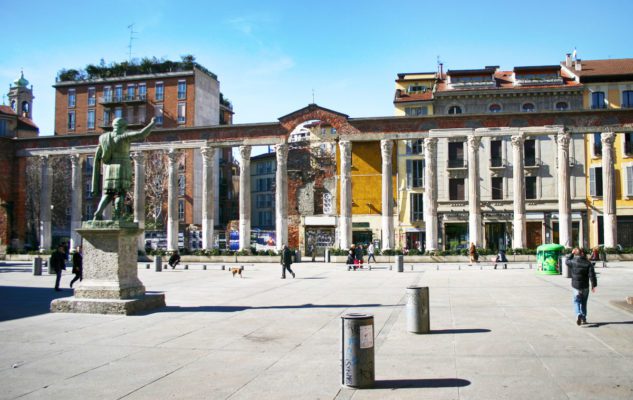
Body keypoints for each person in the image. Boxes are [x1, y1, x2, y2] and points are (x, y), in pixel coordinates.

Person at [92, 117, 156, 220]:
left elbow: (99, 153)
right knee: (120, 192)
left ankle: (98, 212)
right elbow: (141, 134)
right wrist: (152, 124)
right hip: (122, 166)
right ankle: (117, 216)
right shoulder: (124, 136)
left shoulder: (103, 137)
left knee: (108, 193)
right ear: (123, 127)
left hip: (109, 168)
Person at [566, 248, 597, 326]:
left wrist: (571, 253)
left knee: (576, 301)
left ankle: (578, 314)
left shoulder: (572, 262)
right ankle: (583, 318)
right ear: (582, 253)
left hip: (576, 286)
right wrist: (593, 285)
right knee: (584, 302)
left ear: (576, 254)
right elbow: (592, 275)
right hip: (585, 286)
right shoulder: (588, 263)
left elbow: (566, 261)